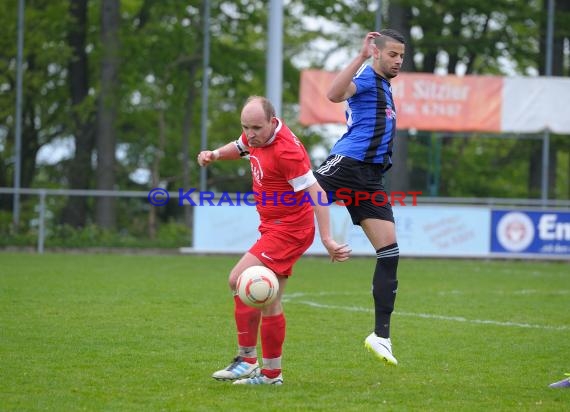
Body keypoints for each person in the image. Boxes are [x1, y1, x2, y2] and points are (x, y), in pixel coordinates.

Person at [197, 96, 351, 385]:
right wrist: (215, 154)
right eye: (246, 127)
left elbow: (317, 193)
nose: (250, 133)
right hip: (273, 227)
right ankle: (270, 376)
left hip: (290, 230)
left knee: (238, 279)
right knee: (269, 299)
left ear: (272, 121)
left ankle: (246, 360)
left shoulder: (286, 152)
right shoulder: (256, 135)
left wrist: (327, 238)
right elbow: (240, 146)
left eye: (256, 127)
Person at [314, 29, 406, 366]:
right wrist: (360, 56)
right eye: (393, 54)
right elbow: (334, 94)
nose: (398, 61)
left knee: (390, 251)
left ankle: (380, 336)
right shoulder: (367, 77)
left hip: (370, 179)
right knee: (297, 200)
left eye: (401, 56)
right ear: (377, 53)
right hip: (349, 164)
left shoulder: (385, 87)